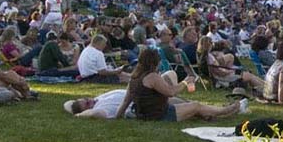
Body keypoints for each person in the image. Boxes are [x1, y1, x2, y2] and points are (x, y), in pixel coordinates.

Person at [114, 48, 247, 121]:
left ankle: (209, 114)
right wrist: (185, 82)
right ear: (154, 62)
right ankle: (223, 111)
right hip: (158, 114)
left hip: (143, 113)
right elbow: (171, 91)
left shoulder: (135, 77)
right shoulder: (152, 77)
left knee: (183, 102)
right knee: (195, 105)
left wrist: (117, 117)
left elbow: (127, 100)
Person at [196, 35, 264, 92]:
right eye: (211, 43)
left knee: (249, 75)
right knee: (249, 76)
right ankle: (264, 88)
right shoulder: (209, 57)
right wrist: (230, 71)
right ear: (209, 44)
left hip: (222, 75)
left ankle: (264, 86)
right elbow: (219, 72)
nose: (212, 44)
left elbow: (216, 70)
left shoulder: (204, 56)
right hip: (223, 78)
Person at [64, 89, 135, 119]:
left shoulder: (97, 99)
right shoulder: (101, 108)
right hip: (139, 101)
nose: (89, 100)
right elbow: (93, 114)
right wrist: (79, 115)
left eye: (86, 98)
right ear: (87, 110)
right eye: (87, 103)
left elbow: (67, 104)